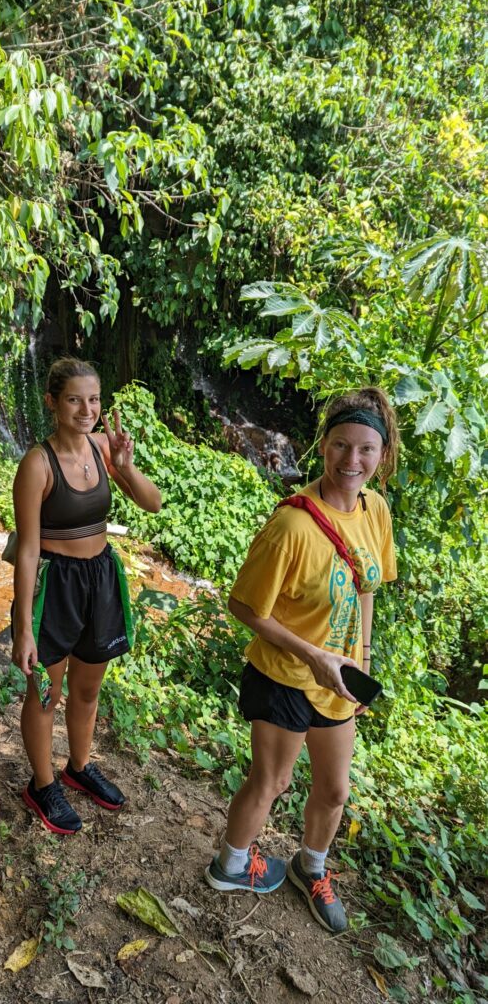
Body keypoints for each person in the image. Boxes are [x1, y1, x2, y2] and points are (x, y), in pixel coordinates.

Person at [204, 387, 399, 932]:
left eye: (365, 449)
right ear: (323, 445)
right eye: (340, 445)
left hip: (337, 679)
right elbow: (243, 605)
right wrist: (313, 655)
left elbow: (366, 588)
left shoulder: (375, 510)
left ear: (382, 454)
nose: (351, 461)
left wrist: (361, 660)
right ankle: (230, 866)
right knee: (272, 781)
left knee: (335, 790)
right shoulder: (292, 525)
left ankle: (310, 867)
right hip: (283, 675)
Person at [11, 357, 161, 835]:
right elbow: (28, 551)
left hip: (100, 578)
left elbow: (153, 502)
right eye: (74, 400)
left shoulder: (101, 448)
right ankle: (42, 784)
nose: (86, 410)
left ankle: (78, 766)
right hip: (55, 586)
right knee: (46, 694)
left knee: (88, 688)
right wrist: (23, 628)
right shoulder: (37, 464)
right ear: (52, 402)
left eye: (93, 400)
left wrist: (125, 466)